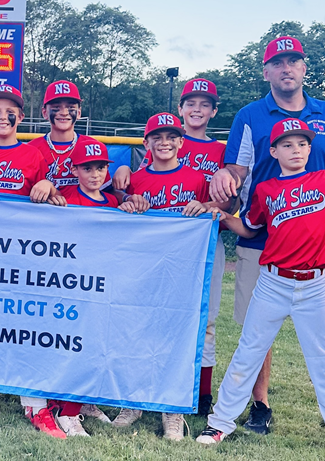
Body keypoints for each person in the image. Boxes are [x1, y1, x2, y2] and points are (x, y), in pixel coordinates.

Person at [208, 36, 325, 454]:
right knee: (257, 336)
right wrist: (221, 183)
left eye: (294, 61)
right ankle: (259, 407)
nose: (287, 68)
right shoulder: (251, 115)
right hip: (263, 245)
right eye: (278, 62)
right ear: (266, 70)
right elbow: (236, 170)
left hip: (317, 255)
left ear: (304, 67)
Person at [113, 78, 229, 417]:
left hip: (194, 259)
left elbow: (223, 205)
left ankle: (198, 396)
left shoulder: (200, 174)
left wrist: (208, 207)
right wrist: (124, 194)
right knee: (143, 321)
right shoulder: (137, 177)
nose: (164, 143)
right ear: (147, 143)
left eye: (170, 137)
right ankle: (137, 395)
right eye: (157, 138)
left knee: (200, 323)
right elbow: (117, 204)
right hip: (151, 261)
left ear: (180, 141)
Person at [0, 84, 67, 438]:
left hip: (23, 251)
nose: (2, 117)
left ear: (21, 117)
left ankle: (35, 402)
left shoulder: (34, 154)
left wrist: (49, 186)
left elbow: (54, 195)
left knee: (29, 324)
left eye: (10, 112)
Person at [44, 140, 121, 437]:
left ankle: (82, 401)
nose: (95, 174)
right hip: (68, 283)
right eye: (87, 168)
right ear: (74, 169)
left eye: (100, 167)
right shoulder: (65, 197)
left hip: (98, 283)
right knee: (69, 345)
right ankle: (67, 410)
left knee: (93, 344)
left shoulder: (112, 203)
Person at [26, 80, 102, 190]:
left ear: (79, 113)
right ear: (44, 113)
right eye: (56, 108)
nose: (64, 112)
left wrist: (126, 197)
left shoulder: (92, 146)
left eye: (70, 108)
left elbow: (107, 190)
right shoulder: (31, 148)